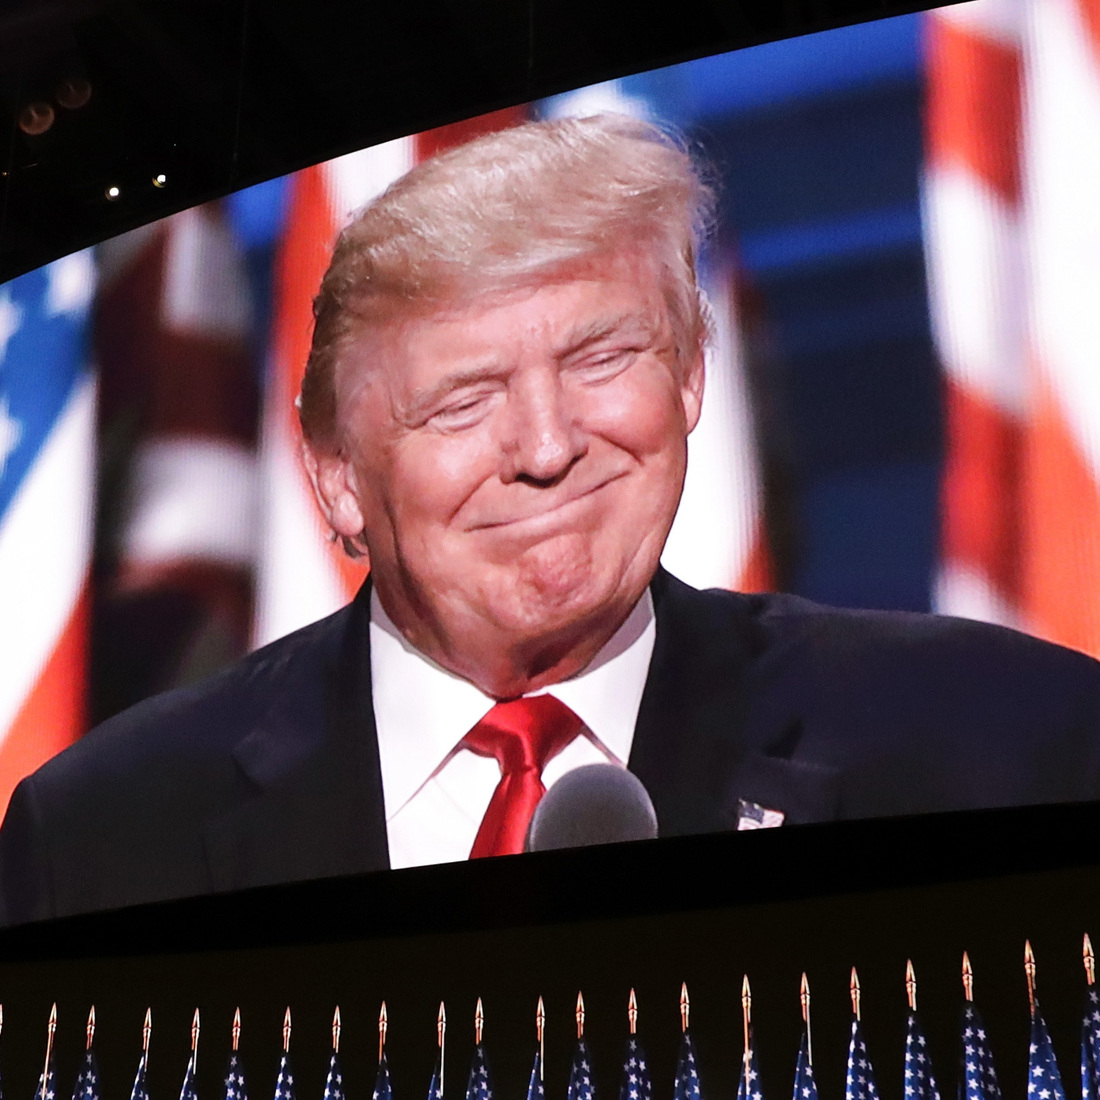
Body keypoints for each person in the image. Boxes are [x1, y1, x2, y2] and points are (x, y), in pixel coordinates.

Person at [2, 114, 1099, 927]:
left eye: (601, 357)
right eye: (463, 400)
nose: (544, 446)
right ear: (336, 476)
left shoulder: (999, 738)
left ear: (686, 380)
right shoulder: (104, 835)